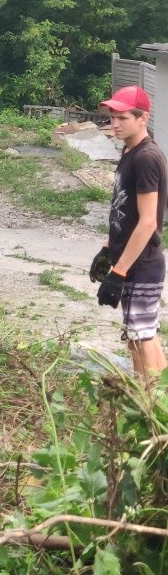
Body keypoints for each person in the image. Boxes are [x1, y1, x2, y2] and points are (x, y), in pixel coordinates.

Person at [90, 85, 167, 380]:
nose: (115, 124)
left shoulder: (147, 157)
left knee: (142, 335)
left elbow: (148, 222)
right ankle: (148, 397)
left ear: (142, 118)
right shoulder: (129, 151)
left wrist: (119, 272)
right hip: (129, 260)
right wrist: (109, 248)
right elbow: (125, 210)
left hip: (142, 263)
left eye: (123, 118)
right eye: (113, 118)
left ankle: (153, 406)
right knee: (139, 333)